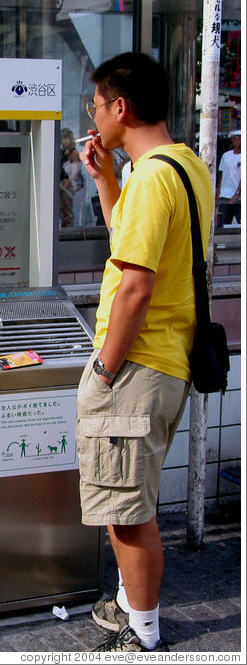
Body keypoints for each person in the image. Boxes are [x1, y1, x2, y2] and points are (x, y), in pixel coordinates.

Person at [77, 52, 214, 653]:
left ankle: (144, 634)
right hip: (166, 362)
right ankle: (134, 607)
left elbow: (135, 284)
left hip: (136, 365)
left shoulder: (153, 176)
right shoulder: (183, 166)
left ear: (120, 107)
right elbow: (130, 246)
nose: (94, 115)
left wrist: (105, 368)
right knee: (128, 498)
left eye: (96, 104)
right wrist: (107, 181)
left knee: (128, 510)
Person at [216, 129, 241, 226]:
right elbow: (223, 174)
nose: (237, 140)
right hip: (225, 196)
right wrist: (218, 193)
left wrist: (237, 193)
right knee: (223, 224)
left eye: (239, 138)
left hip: (239, 198)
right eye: (235, 138)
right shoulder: (226, 156)